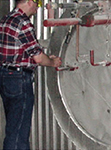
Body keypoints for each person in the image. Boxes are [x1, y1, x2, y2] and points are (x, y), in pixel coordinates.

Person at [0, 0, 61, 149]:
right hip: (19, 79)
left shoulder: (6, 20)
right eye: (37, 4)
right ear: (28, 1)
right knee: (18, 133)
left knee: (14, 127)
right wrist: (53, 63)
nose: (36, 9)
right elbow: (38, 58)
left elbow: (18, 50)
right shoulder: (23, 22)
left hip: (5, 76)